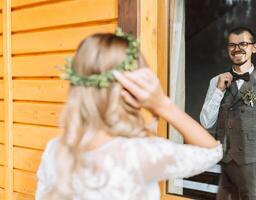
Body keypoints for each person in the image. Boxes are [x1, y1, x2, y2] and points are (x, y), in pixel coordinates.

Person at [35, 31, 222, 200]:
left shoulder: (55, 151)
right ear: (131, 89)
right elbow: (212, 151)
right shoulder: (138, 154)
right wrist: (162, 104)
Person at [200, 27, 256, 200]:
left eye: (243, 44)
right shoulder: (215, 82)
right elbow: (205, 123)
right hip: (225, 169)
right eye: (232, 45)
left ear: (254, 47)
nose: (237, 48)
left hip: (255, 170)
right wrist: (218, 91)